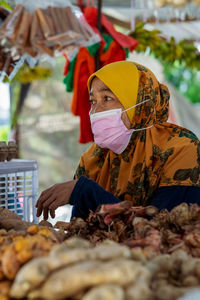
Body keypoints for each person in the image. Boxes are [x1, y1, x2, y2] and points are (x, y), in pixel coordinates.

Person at [36, 61, 200, 221]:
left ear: (138, 104)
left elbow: (162, 229)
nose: (95, 111)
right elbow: (81, 230)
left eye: (107, 98)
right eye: (93, 101)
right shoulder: (93, 159)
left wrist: (87, 192)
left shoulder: (181, 149)